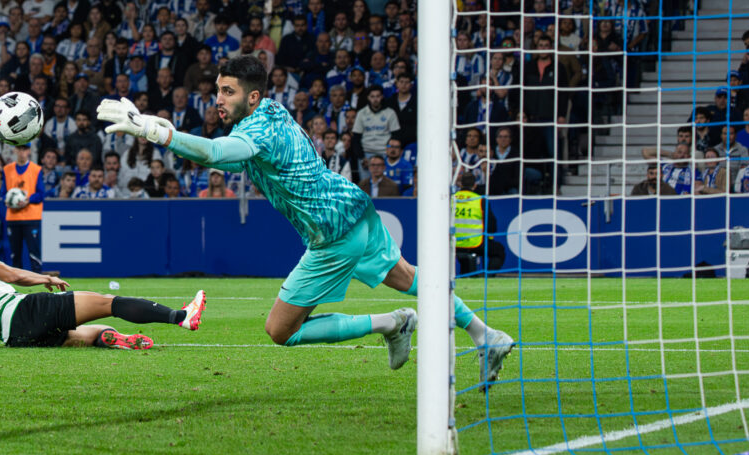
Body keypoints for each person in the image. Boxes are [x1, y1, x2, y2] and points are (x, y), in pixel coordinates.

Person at [98, 56, 514, 384]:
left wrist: (155, 133)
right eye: (218, 90)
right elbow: (224, 153)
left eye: (227, 91)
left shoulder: (257, 131)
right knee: (408, 277)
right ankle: (485, 335)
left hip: (332, 232)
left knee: (281, 330)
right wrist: (164, 127)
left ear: (253, 96)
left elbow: (215, 153)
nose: (218, 99)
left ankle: (393, 322)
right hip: (353, 206)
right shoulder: (271, 113)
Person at [0, 207, 206, 349]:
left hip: (15, 337)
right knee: (108, 302)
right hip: (25, 312)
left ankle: (112, 338)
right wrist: (44, 277)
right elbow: (13, 275)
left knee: (83, 333)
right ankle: (181, 317)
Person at [453, 172, 506, 273]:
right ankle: (488, 277)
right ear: (474, 185)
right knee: (498, 251)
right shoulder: (480, 200)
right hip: (475, 243)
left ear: (460, 184)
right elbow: (491, 226)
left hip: (452, 243)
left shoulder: (451, 199)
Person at [4, 144, 44, 273]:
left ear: (29, 151)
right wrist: (7, 201)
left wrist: (28, 200)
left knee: (34, 252)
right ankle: (17, 280)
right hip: (13, 217)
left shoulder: (36, 169)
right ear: (15, 150)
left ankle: (37, 278)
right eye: (19, 149)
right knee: (15, 253)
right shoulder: (7, 169)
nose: (22, 152)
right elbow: (4, 192)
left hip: (31, 216)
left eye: (25, 149)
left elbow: (41, 194)